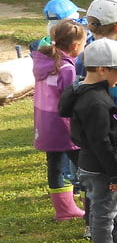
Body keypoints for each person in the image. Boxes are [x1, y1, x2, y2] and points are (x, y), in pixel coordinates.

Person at [58, 39, 117, 243]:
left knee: (100, 211)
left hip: (90, 163)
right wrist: (116, 174)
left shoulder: (84, 91)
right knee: (104, 215)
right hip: (101, 168)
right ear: (102, 69)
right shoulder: (95, 101)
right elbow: (101, 142)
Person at [32, 19, 87, 220]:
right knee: (84, 165)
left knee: (54, 164)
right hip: (64, 125)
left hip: (45, 124)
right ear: (75, 46)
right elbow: (70, 99)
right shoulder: (67, 68)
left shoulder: (43, 62)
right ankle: (93, 207)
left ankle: (63, 209)